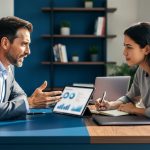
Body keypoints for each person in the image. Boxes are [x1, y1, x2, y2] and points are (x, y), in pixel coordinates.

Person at [0, 16, 62, 120]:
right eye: (24, 44)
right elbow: (25, 101)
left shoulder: (7, 71)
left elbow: (21, 95)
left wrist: (25, 102)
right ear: (5, 43)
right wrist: (30, 102)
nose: (28, 51)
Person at [95, 22, 150, 118]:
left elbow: (133, 106)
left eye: (129, 47)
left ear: (146, 49)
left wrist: (134, 110)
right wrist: (111, 105)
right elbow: (130, 97)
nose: (124, 52)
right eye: (124, 46)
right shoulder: (141, 70)